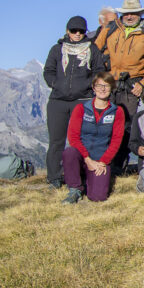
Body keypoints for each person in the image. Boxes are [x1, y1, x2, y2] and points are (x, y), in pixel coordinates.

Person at [43, 16, 105, 188]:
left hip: (82, 100)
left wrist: (87, 86)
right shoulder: (57, 49)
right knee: (56, 140)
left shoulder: (92, 49)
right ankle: (54, 177)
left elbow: (99, 71)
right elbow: (48, 71)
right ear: (67, 31)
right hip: (58, 101)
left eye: (81, 31)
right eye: (73, 30)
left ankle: (80, 176)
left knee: (80, 140)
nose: (77, 34)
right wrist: (55, 84)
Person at [94, 0, 144, 141]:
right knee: (104, 123)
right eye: (126, 13)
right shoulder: (111, 27)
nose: (129, 16)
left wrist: (143, 84)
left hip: (132, 85)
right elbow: (94, 51)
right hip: (109, 82)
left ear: (140, 14)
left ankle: (122, 156)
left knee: (126, 125)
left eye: (134, 13)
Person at [61, 73, 126, 204]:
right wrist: (87, 159)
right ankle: (75, 189)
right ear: (93, 88)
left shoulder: (117, 111)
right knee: (69, 152)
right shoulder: (81, 108)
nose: (102, 89)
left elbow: (116, 140)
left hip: (100, 160)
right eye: (99, 85)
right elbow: (73, 137)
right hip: (82, 156)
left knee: (98, 197)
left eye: (106, 85)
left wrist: (103, 162)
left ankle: (87, 180)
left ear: (112, 88)